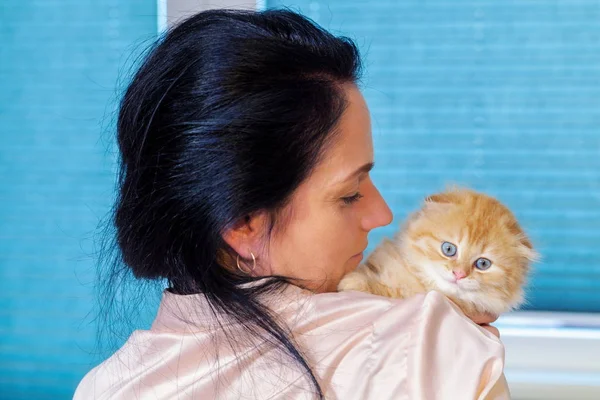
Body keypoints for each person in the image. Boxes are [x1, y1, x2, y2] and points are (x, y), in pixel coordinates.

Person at [74, 8, 508, 400]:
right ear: (243, 223)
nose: (382, 215)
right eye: (349, 194)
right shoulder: (428, 349)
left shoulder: (104, 389)